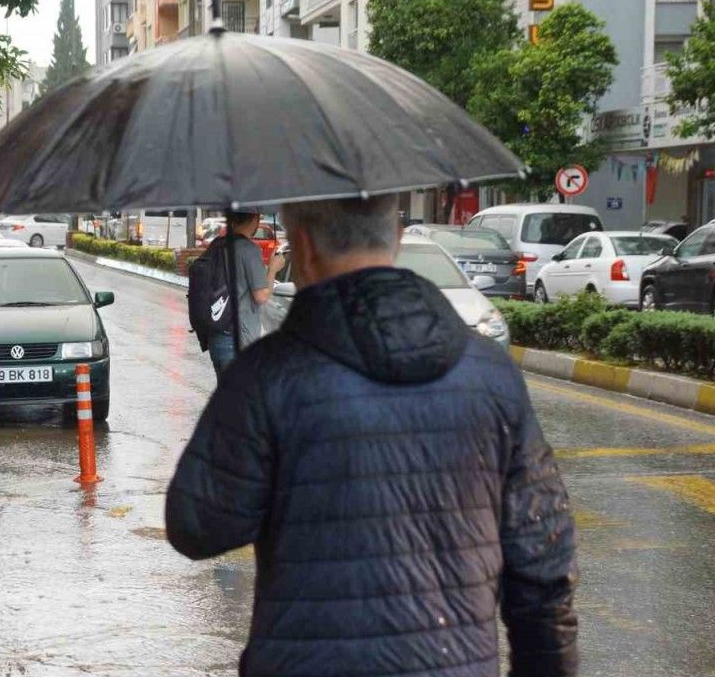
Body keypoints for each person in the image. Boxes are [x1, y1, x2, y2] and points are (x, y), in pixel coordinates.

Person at [165, 196, 578, 677]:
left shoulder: (266, 376)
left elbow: (197, 526)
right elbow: (542, 565)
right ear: (397, 240)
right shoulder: (491, 373)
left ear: (303, 246)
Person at [207, 210, 285, 377]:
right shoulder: (249, 250)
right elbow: (261, 296)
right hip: (239, 339)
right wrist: (273, 269)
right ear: (255, 218)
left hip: (216, 335)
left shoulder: (217, 245)